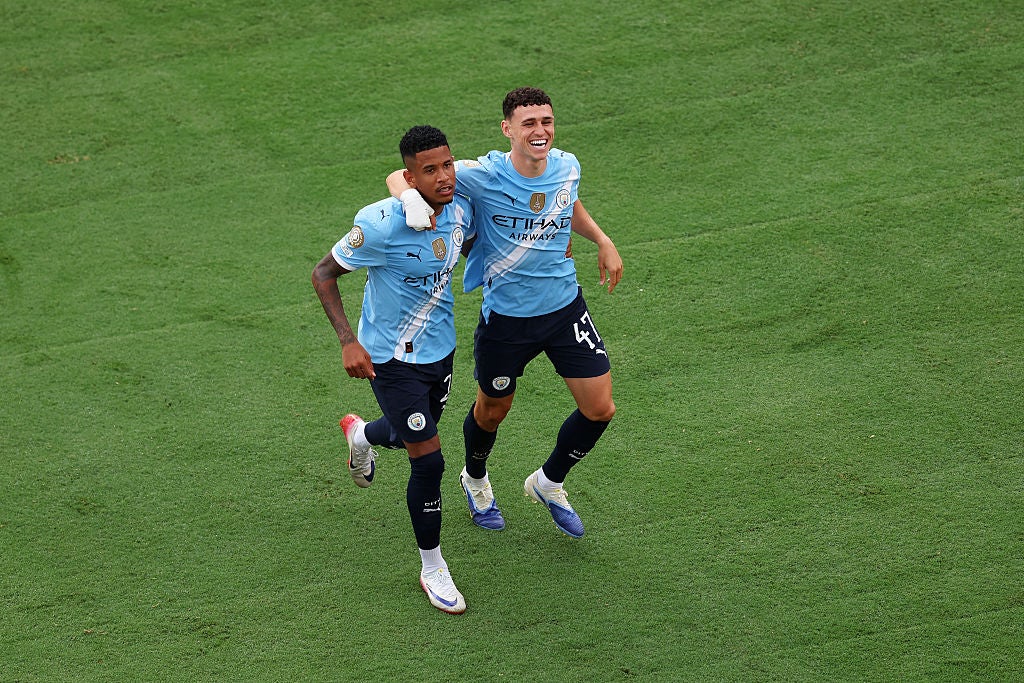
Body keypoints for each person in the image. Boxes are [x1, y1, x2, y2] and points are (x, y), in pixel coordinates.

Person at [387, 87, 623, 539]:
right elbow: (400, 176)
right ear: (508, 129)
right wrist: (412, 202)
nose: (540, 131)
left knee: (600, 408)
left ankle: (548, 482)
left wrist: (602, 239)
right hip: (507, 322)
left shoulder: (567, 165)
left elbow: (566, 202)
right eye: (529, 123)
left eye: (546, 121)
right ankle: (475, 478)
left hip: (564, 308)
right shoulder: (482, 174)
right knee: (493, 411)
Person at [312, 125, 473, 614]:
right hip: (389, 359)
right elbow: (323, 274)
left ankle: (362, 436)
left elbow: (470, 244)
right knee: (429, 461)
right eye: (430, 170)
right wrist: (348, 342)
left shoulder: (460, 205)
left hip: (440, 352)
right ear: (410, 176)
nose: (444, 177)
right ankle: (433, 567)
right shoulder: (380, 225)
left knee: (405, 439)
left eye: (448, 165)